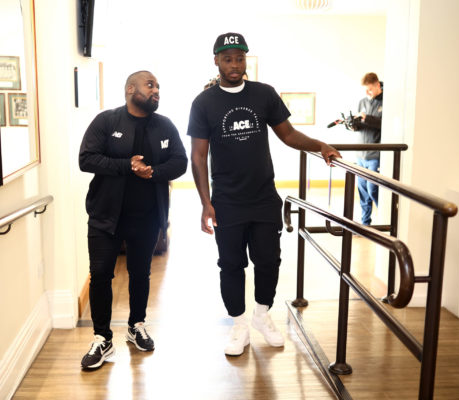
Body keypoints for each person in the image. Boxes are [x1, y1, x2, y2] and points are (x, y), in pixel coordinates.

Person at [187, 33, 341, 356]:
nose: (234, 64)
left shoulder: (263, 94)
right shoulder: (204, 103)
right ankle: (239, 325)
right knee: (231, 264)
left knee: (268, 261)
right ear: (216, 61)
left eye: (239, 58)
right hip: (227, 200)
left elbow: (287, 134)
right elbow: (198, 156)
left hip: (263, 197)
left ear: (246, 61)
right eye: (227, 58)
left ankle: (261, 315)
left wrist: (321, 145)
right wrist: (206, 203)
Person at [78, 70, 187, 369]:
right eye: (150, 85)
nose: (156, 91)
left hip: (147, 216)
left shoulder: (164, 125)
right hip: (105, 216)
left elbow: (180, 162)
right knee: (100, 275)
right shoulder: (107, 121)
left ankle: (136, 325)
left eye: (159, 87)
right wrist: (127, 166)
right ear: (130, 89)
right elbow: (86, 158)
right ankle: (102, 338)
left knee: (141, 274)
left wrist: (153, 172)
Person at [353, 72, 383, 226]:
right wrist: (353, 125)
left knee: (373, 190)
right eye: (365, 90)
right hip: (361, 155)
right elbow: (360, 127)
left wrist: (366, 118)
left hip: (375, 155)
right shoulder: (362, 102)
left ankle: (386, 221)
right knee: (363, 192)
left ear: (378, 85)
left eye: (370, 89)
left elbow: (383, 124)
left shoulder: (386, 102)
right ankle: (366, 224)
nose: (367, 93)